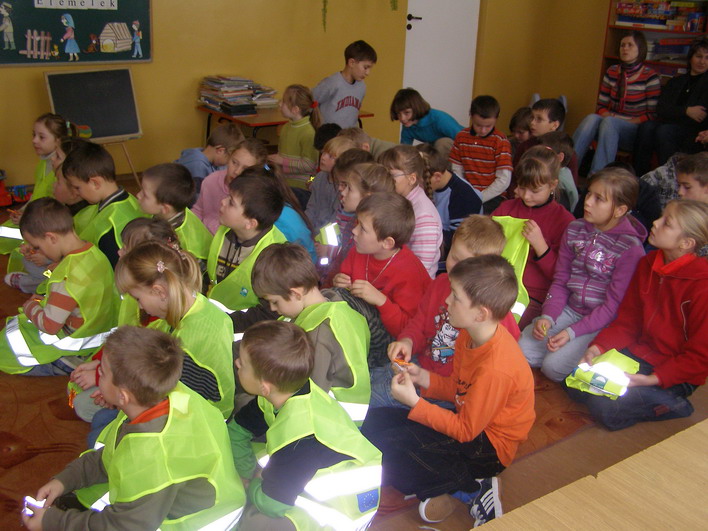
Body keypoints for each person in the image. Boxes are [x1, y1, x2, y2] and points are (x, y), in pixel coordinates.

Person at [362, 255, 535, 526]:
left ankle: (473, 489)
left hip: (488, 447)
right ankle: (442, 483)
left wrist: (415, 403)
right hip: (467, 422)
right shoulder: (468, 333)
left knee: (388, 451)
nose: (446, 300)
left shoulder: (496, 368)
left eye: (455, 297)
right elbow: (458, 388)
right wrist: (423, 378)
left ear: (481, 314)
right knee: (372, 424)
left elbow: (466, 430)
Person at [22, 326, 245, 530]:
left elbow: (123, 527)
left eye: (103, 372)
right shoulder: (168, 395)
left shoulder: (151, 458)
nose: (98, 373)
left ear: (123, 396)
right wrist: (65, 480)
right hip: (203, 493)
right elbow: (112, 454)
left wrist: (51, 523)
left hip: (198, 523)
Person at [566, 200, 708, 430]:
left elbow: (700, 358)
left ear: (686, 243)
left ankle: (674, 403)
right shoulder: (648, 263)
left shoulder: (702, 286)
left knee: (606, 408)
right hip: (638, 354)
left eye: (667, 223)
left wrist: (653, 379)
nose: (655, 223)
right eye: (661, 217)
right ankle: (648, 394)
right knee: (575, 383)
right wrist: (598, 347)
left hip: (674, 370)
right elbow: (628, 321)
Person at [227, 320, 382, 530]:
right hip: (309, 480)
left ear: (265, 387)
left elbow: (272, 505)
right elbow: (237, 430)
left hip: (338, 512)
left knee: (254, 522)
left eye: (243, 364)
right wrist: (247, 474)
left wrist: (249, 486)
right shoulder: (284, 392)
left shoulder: (301, 437)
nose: (236, 363)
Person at [369, 215, 521, 409]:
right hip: (420, 365)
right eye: (454, 257)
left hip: (446, 390)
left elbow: (506, 359)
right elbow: (419, 323)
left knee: (372, 397)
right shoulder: (440, 284)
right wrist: (407, 341)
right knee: (370, 378)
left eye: (465, 266)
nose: (456, 269)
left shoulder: (496, 317)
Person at [519, 168, 647, 382]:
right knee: (522, 351)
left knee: (553, 368)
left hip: (600, 321)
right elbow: (560, 280)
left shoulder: (630, 249)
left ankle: (580, 356)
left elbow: (612, 306)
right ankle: (559, 350)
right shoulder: (575, 229)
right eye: (589, 194)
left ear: (619, 210)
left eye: (599, 199)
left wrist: (571, 333)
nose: (587, 202)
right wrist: (548, 316)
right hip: (568, 309)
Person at [252, 243, 371, 424]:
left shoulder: (317, 333)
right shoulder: (337, 307)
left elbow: (309, 393)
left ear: (296, 294)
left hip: (328, 424)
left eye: (274, 302)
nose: (273, 308)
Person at [0, 198, 117, 375]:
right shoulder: (94, 252)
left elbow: (50, 326)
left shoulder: (65, 278)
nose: (37, 251)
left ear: (51, 238)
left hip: (74, 344)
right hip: (99, 334)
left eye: (37, 247)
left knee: (6, 350)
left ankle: (67, 363)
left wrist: (31, 305)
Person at [494, 146, 575, 330]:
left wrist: (541, 247)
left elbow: (561, 275)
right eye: (522, 188)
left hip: (533, 296)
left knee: (504, 328)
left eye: (535, 190)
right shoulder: (507, 208)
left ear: (552, 185)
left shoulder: (564, 221)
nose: (526, 196)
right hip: (497, 285)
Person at [333, 192, 431, 337]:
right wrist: (339, 281)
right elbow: (344, 283)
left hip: (392, 336)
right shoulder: (359, 251)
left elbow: (408, 329)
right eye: (357, 223)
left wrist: (381, 301)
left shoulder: (410, 273)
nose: (354, 231)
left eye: (363, 228)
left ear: (387, 243)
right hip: (360, 321)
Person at [573, 31, 660, 176]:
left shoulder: (650, 76)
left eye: (630, 45)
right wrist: (610, 117)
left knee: (610, 123)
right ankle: (566, 169)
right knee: (591, 118)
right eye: (622, 45)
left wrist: (618, 121)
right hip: (609, 123)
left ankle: (597, 176)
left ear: (640, 49)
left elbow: (652, 115)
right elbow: (601, 106)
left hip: (633, 130)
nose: (625, 49)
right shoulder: (612, 71)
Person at [0, 113, 77, 256]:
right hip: (32, 218)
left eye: (41, 137)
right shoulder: (42, 164)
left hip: (44, 226)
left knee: (14, 244)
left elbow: (58, 210)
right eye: (34, 135)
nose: (34, 140)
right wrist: (22, 211)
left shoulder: (62, 170)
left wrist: (27, 219)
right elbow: (36, 195)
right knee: (2, 231)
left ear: (58, 140)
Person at [207, 174, 286, 311]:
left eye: (231, 202)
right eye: (227, 196)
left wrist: (224, 319)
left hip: (241, 322)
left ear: (250, 223)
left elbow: (269, 311)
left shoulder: (275, 255)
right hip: (214, 311)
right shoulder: (227, 230)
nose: (223, 202)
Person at [62, 141, 145, 268]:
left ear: (95, 183)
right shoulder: (130, 199)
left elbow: (117, 270)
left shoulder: (110, 227)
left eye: (77, 187)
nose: (76, 193)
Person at [633, 37, 708, 176]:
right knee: (647, 127)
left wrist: (677, 112)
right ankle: (639, 175)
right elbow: (661, 109)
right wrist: (686, 111)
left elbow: (700, 116)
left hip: (692, 132)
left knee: (665, 131)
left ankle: (668, 176)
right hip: (670, 123)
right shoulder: (676, 81)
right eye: (698, 56)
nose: (702, 61)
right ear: (690, 58)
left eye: (707, 58)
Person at [320, 158, 391, 286]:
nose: (342, 191)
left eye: (349, 188)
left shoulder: (371, 236)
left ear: (367, 198)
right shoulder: (354, 222)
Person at [380, 145, 443, 278]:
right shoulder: (397, 201)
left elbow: (421, 269)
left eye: (391, 175)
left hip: (411, 284)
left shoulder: (424, 216)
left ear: (412, 178)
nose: (385, 179)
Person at [415, 142, 483, 258]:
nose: (415, 187)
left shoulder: (464, 196)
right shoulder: (435, 184)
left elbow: (457, 241)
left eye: (419, 183)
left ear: (437, 177)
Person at [136, 162, 213, 261]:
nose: (138, 195)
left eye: (145, 195)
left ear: (165, 209)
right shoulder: (175, 208)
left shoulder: (176, 241)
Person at [449, 95, 512, 212]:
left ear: (496, 118)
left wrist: (480, 197)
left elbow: (504, 179)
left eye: (488, 126)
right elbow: (457, 170)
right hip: (467, 193)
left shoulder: (500, 140)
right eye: (478, 125)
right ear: (471, 116)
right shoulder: (461, 137)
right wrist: (466, 192)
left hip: (492, 196)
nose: (483, 130)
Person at [193, 138, 267, 234]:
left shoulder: (255, 197)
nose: (237, 171)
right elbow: (198, 210)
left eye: (245, 169)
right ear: (229, 157)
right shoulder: (211, 180)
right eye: (234, 162)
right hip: (202, 235)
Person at [513, 98, 579, 188]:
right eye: (532, 117)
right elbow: (514, 178)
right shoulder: (525, 146)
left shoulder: (567, 151)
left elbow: (571, 187)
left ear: (554, 125)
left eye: (539, 119)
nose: (532, 123)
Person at [313, 39, 377, 129]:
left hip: (349, 136)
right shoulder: (332, 83)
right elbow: (309, 100)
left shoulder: (362, 87)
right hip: (329, 136)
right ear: (352, 63)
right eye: (365, 67)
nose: (368, 73)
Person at [268, 84, 321, 189]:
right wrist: (272, 161)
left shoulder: (308, 132)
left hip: (303, 187)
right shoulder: (286, 127)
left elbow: (310, 166)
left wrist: (282, 161)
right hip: (285, 183)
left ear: (295, 109)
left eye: (283, 102)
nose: (280, 104)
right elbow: (282, 156)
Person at [390, 87, 463, 159]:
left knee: (443, 143)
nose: (402, 118)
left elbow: (463, 139)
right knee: (419, 150)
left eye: (407, 113)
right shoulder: (408, 125)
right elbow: (404, 150)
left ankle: (441, 166)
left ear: (416, 108)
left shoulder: (439, 119)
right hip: (435, 149)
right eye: (398, 114)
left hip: (461, 146)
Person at [174, 122, 244, 195]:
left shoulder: (206, 157)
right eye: (230, 159)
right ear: (220, 151)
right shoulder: (198, 167)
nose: (228, 163)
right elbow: (198, 198)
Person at [305, 136, 357, 231]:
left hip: (329, 234)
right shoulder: (319, 177)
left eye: (331, 157)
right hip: (313, 229)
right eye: (324, 152)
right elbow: (311, 207)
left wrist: (318, 236)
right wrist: (305, 228)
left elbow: (335, 220)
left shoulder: (343, 187)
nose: (323, 158)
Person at [537, 131, 580, 212]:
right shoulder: (566, 172)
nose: (537, 156)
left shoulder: (559, 179)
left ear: (559, 158)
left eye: (544, 153)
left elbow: (573, 200)